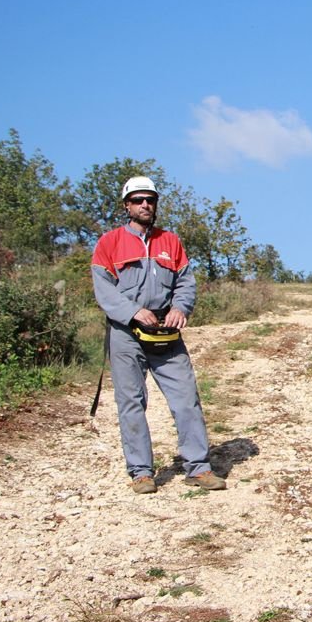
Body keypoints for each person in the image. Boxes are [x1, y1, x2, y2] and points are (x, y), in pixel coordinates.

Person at [90, 175, 226, 494]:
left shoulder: (171, 242)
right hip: (126, 334)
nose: (145, 205)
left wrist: (181, 308)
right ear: (127, 206)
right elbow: (104, 290)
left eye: (150, 199)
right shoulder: (108, 243)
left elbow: (185, 283)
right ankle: (141, 472)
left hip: (167, 333)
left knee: (186, 398)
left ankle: (198, 468)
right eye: (138, 200)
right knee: (132, 402)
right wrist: (133, 311)